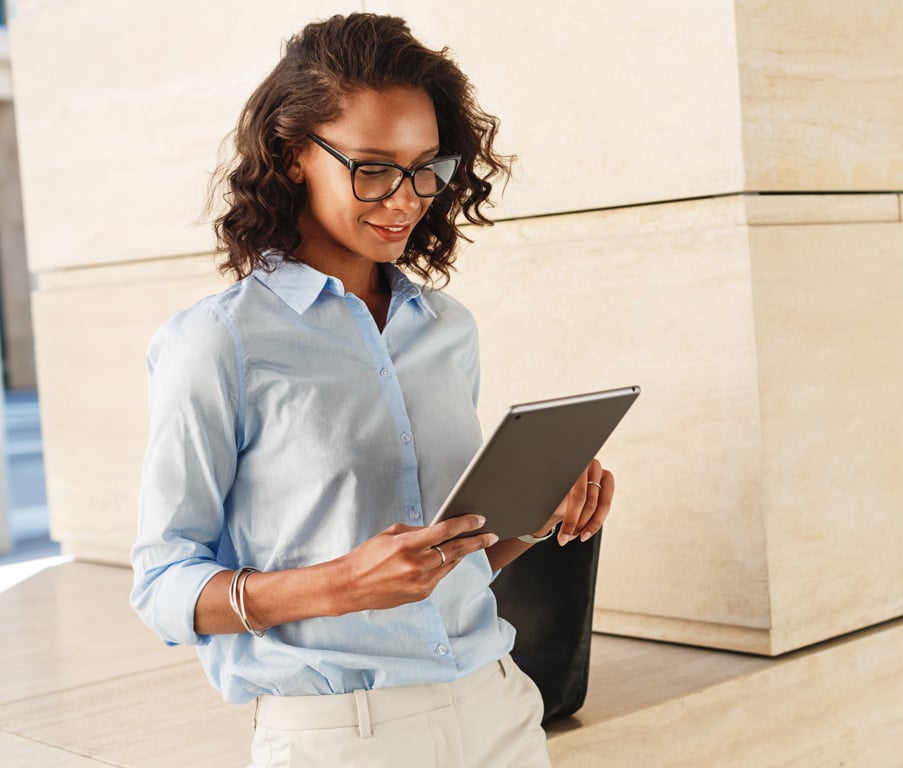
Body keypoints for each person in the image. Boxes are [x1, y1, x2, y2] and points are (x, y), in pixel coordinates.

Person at [129, 13, 613, 767]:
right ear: (294, 157)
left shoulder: (446, 328)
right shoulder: (217, 342)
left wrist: (541, 514)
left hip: (499, 711)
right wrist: (339, 585)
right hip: (339, 736)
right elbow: (162, 588)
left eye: (427, 167)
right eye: (373, 167)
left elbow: (458, 562)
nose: (406, 197)